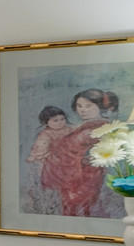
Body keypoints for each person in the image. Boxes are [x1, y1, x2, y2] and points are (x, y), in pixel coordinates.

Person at [40, 89, 119, 217]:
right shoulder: (83, 126)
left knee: (81, 207)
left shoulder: (101, 127)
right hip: (70, 173)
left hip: (85, 174)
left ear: (100, 106)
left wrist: (86, 158)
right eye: (79, 106)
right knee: (71, 208)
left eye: (88, 106)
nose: (83, 110)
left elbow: (104, 149)